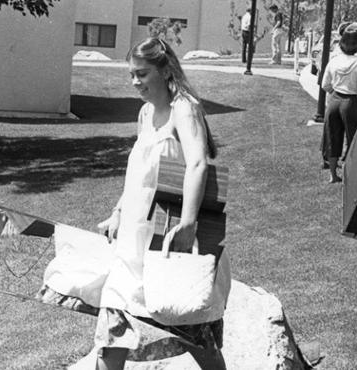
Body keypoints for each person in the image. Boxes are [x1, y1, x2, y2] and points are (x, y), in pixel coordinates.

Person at [94, 37, 224, 370]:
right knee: (111, 334)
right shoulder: (145, 113)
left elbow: (198, 164)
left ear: (164, 69)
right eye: (132, 75)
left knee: (194, 333)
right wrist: (117, 212)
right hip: (130, 244)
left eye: (142, 74)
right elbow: (138, 174)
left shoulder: (185, 108)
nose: (135, 82)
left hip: (164, 241)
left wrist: (189, 224)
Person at [320, 30, 357, 183]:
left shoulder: (333, 61)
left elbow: (324, 84)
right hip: (350, 102)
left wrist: (334, 91)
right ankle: (350, 173)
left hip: (334, 100)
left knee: (332, 136)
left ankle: (333, 174)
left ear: (341, 44)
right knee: (353, 138)